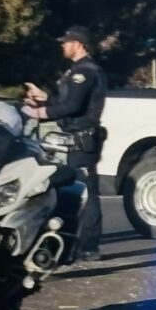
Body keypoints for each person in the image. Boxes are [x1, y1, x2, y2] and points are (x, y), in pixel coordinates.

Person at [22, 26, 108, 261]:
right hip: (74, 139)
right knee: (69, 190)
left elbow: (73, 106)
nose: (63, 45)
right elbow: (67, 100)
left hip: (82, 140)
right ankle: (68, 242)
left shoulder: (85, 72)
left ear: (78, 44)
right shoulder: (78, 70)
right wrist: (45, 98)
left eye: (67, 42)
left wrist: (40, 113)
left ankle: (88, 247)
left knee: (86, 193)